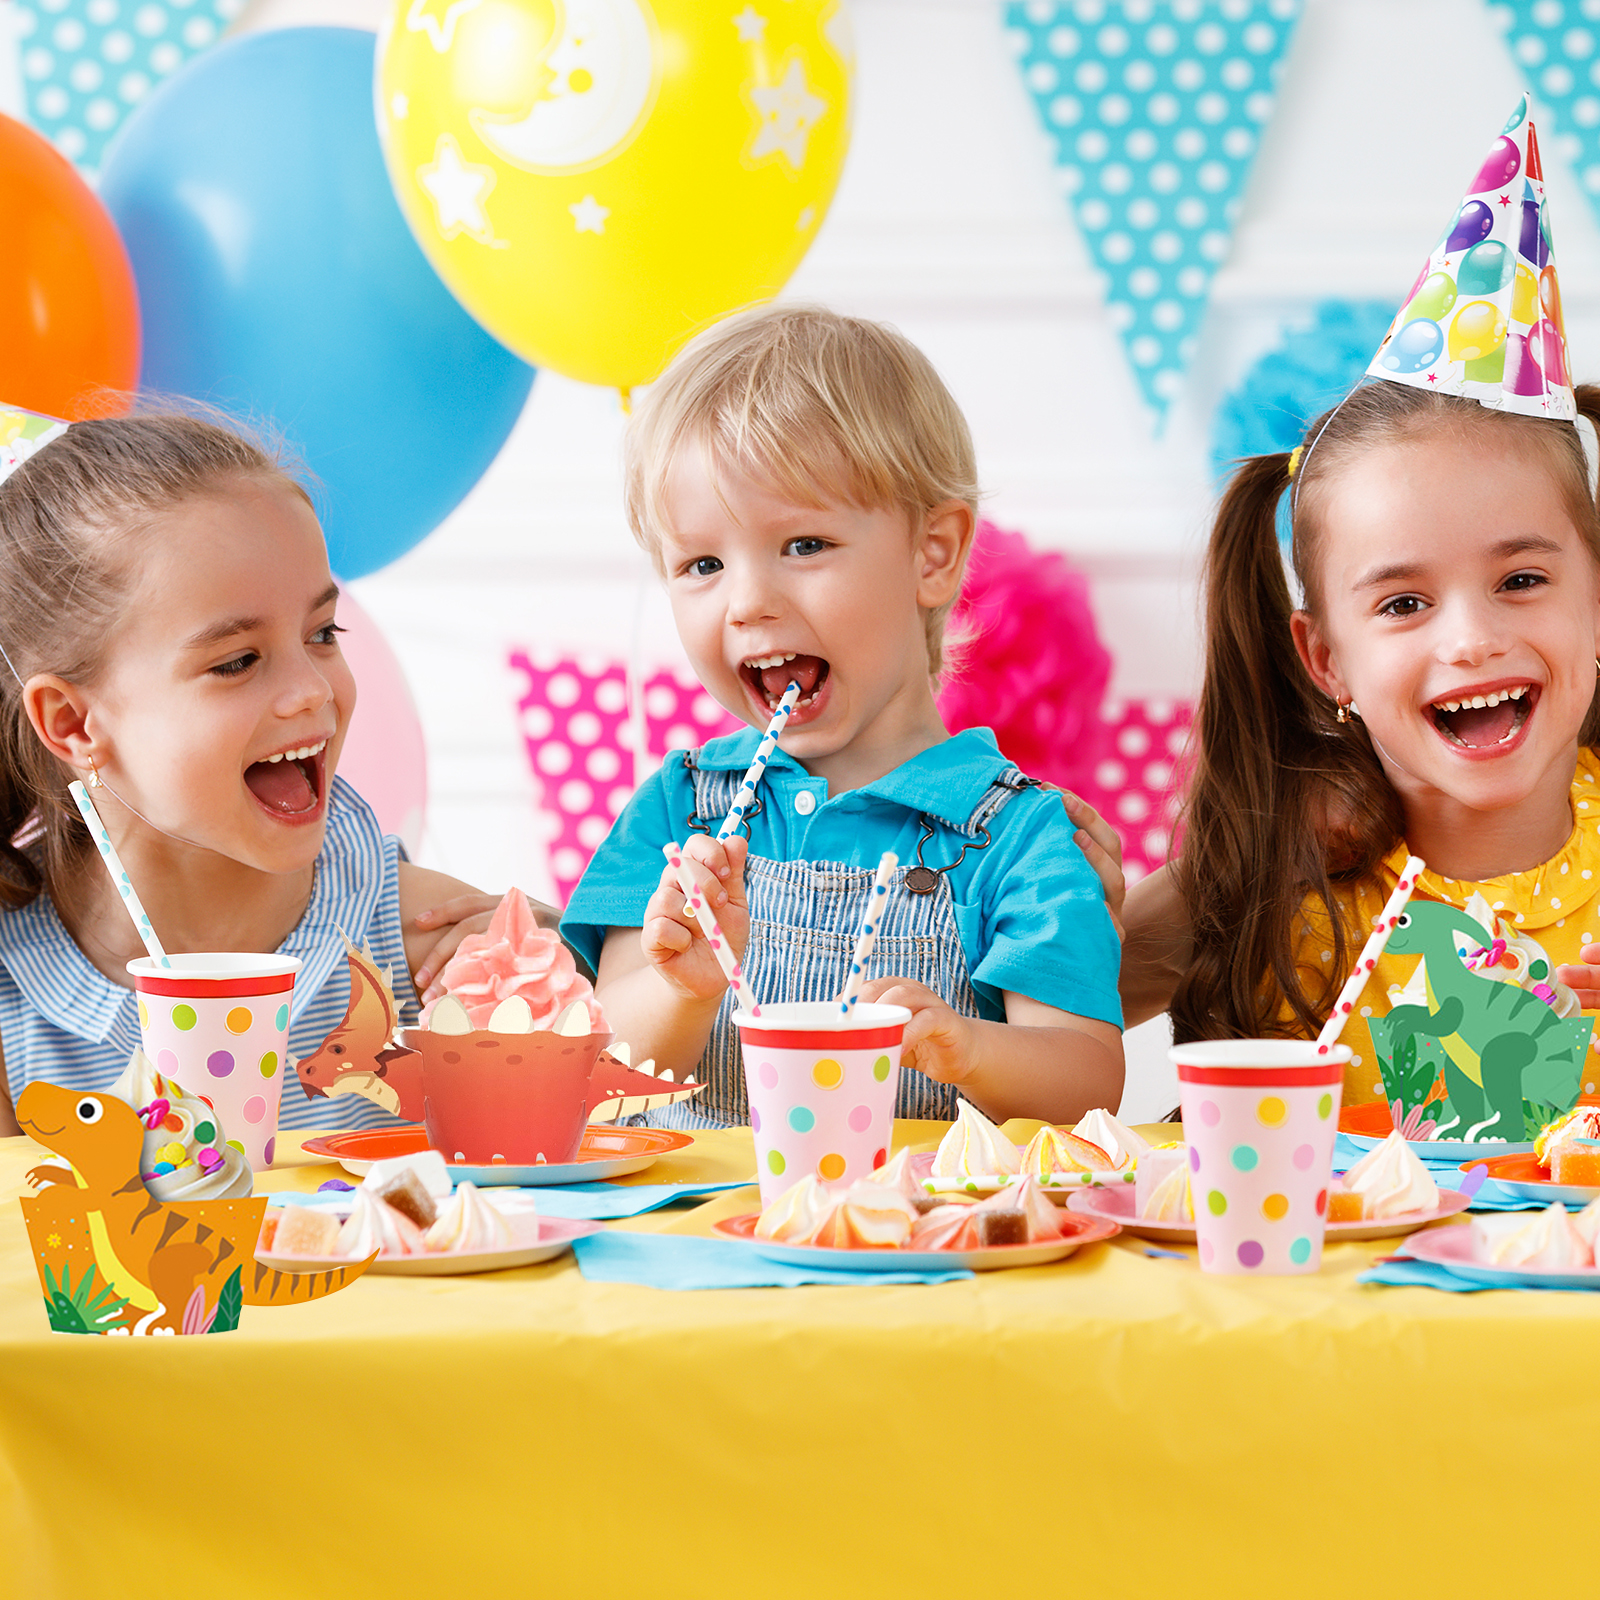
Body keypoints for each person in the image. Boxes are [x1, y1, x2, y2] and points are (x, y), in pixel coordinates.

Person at [1117, 99, 1600, 1125]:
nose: (1471, 638)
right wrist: (1063, 890)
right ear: (1326, 659)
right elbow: (1040, 1025)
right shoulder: (1287, 894)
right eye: (1404, 602)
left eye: (1521, 580)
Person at [562, 305, 1125, 1129]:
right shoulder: (680, 811)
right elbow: (602, 1072)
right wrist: (681, 988)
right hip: (697, 1215)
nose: (747, 602)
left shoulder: (1016, 837)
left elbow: (1088, 1082)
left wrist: (969, 1048)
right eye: (703, 563)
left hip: (913, 1213)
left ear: (933, 554)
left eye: (804, 546)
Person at [0, 405, 535, 1138]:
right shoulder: (11, 998)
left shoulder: (431, 945)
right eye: (237, 661)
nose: (313, 690)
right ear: (72, 722)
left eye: (322, 633)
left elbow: (590, 1169)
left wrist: (568, 981)